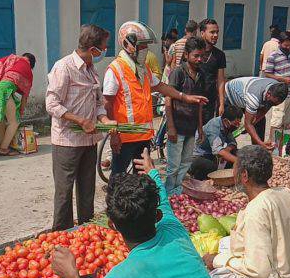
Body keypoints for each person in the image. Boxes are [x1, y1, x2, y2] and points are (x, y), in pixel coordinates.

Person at [52, 149, 241, 278]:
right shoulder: (176, 234)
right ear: (157, 215)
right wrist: (152, 173)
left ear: (112, 225)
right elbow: (164, 204)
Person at [201, 145, 290, 278]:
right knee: (226, 242)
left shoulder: (256, 209)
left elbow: (259, 270)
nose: (233, 174)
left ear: (245, 176)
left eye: (235, 170)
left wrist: (217, 260)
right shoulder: (287, 193)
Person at [103, 21, 207, 175]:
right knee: (118, 178)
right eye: (143, 45)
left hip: (143, 135)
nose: (146, 49)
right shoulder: (115, 69)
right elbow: (107, 105)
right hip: (125, 137)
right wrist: (113, 135)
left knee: (141, 178)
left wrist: (184, 97)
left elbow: (160, 87)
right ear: (128, 45)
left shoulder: (143, 68)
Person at [45, 24, 116, 231]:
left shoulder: (91, 69)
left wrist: (104, 120)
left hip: (89, 140)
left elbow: (97, 102)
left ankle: (86, 231)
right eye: (103, 48)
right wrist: (80, 121)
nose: (104, 51)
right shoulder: (64, 67)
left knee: (87, 190)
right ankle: (60, 234)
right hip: (67, 140)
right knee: (64, 192)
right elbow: (51, 104)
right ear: (92, 48)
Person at [164, 37, 206, 195]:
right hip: (177, 125)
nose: (199, 59)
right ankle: (168, 195)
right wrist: (171, 126)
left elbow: (199, 102)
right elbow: (168, 98)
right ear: (187, 55)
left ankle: (178, 193)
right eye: (196, 56)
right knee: (173, 165)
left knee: (186, 162)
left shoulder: (201, 74)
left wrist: (200, 128)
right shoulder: (178, 72)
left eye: (201, 56)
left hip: (191, 126)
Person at [0, 53, 35, 156]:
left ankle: (3, 145)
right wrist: (21, 111)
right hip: (3, 90)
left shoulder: (11, 60)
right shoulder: (27, 69)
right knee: (14, 121)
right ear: (31, 64)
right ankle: (4, 148)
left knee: (0, 120)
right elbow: (24, 97)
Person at [223, 77, 288, 149]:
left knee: (260, 121)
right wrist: (260, 142)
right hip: (229, 95)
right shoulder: (254, 97)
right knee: (229, 126)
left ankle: (257, 150)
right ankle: (226, 152)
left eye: (275, 104)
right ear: (268, 94)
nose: (271, 105)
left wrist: (251, 125)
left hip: (245, 96)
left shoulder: (275, 88)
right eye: (271, 103)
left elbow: (264, 109)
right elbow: (248, 124)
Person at [189, 107, 243, 180]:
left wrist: (227, 150)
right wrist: (237, 161)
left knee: (237, 153)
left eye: (238, 123)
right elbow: (218, 150)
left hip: (211, 153)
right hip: (198, 155)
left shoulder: (226, 126)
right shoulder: (214, 127)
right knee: (211, 167)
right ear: (226, 121)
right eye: (235, 124)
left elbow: (232, 142)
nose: (237, 126)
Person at [264, 31, 290, 134]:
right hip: (279, 93)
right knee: (277, 120)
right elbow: (268, 74)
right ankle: (272, 143)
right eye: (285, 45)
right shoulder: (273, 56)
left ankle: (283, 145)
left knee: (287, 121)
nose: (288, 47)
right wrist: (284, 80)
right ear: (280, 43)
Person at [198, 18, 227, 121]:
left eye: (217, 32)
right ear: (202, 33)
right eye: (212, 32)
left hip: (209, 102)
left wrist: (221, 104)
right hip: (193, 101)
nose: (215, 35)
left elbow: (220, 80)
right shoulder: (194, 53)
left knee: (206, 132)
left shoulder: (220, 55)